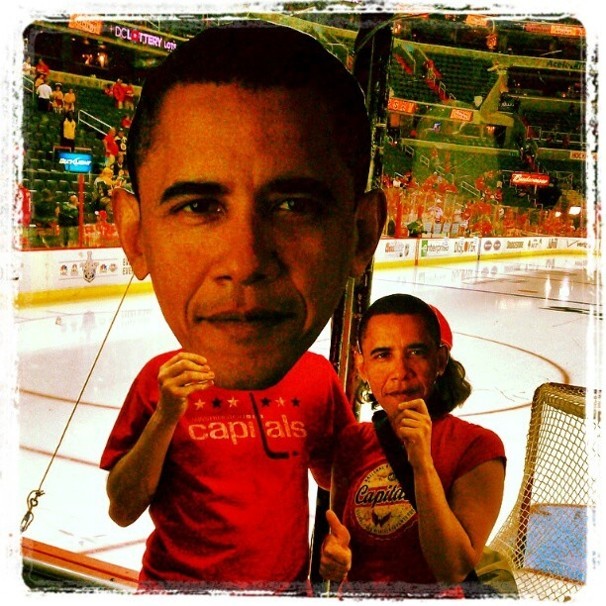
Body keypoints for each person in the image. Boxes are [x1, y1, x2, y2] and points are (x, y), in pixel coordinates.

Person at [100, 20, 386, 594]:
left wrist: (346, 534)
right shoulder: (160, 382)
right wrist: (166, 415)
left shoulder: (317, 379)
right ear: (135, 235)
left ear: (360, 237)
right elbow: (122, 508)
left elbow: (341, 481)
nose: (247, 261)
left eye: (294, 206)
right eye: (200, 205)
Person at [320, 294, 505, 598]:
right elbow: (343, 537)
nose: (400, 371)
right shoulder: (353, 443)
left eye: (415, 352)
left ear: (440, 362)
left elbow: (452, 569)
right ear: (362, 366)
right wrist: (333, 555)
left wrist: (421, 462)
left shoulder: (477, 447)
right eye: (382, 355)